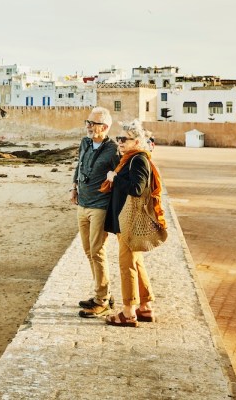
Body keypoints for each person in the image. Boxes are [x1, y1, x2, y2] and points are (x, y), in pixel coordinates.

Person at [101, 119, 166, 327]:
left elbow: (137, 188)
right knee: (136, 262)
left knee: (126, 265)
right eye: (118, 139)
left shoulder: (138, 160)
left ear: (136, 141)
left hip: (129, 221)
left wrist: (114, 178)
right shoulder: (130, 158)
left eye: (123, 139)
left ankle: (128, 312)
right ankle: (145, 307)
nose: (119, 143)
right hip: (125, 219)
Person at [71, 107, 120, 318]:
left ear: (105, 127)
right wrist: (73, 187)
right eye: (88, 122)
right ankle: (103, 293)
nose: (89, 126)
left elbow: (120, 174)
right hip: (82, 203)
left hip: (100, 205)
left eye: (93, 123)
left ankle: (102, 300)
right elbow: (79, 165)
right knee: (88, 251)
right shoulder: (85, 143)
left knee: (97, 252)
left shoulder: (113, 150)